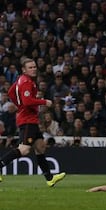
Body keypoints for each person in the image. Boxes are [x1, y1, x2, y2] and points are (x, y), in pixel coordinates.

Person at [1, 58, 66, 186]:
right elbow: (27, 101)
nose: (33, 69)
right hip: (27, 120)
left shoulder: (21, 79)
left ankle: (49, 178)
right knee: (24, 149)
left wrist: (19, 106)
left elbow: (10, 92)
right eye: (30, 67)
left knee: (40, 147)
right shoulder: (26, 81)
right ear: (24, 70)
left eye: (34, 66)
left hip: (30, 119)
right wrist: (44, 102)